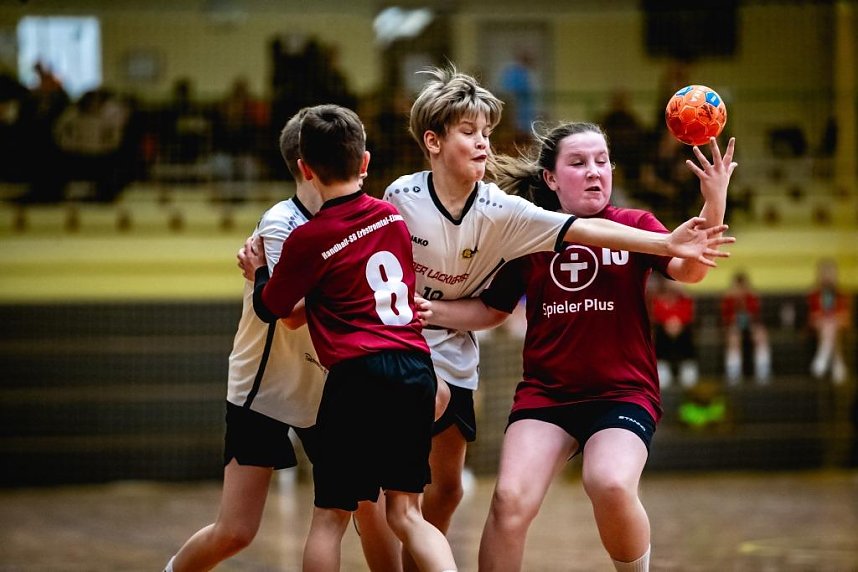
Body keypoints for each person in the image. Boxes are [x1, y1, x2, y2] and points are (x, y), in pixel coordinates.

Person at [383, 65, 734, 571]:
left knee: (608, 482)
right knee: (508, 502)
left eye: (603, 161)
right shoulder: (522, 233)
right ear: (550, 178)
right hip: (548, 394)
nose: (595, 171)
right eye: (579, 162)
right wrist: (432, 310)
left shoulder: (633, 225)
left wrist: (714, 198)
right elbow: (491, 308)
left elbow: (691, 268)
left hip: (621, 391)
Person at [164, 108, 399, 572]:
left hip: (331, 388)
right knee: (236, 531)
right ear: (305, 164)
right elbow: (292, 316)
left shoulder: (361, 218)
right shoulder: (280, 224)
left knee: (370, 511)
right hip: (265, 388)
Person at [237, 104, 458, 572]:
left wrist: (258, 271)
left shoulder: (307, 237)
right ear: (365, 163)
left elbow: (273, 308)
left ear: (305, 168)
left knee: (330, 517)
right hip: (416, 368)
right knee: (407, 514)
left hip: (357, 375)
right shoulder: (394, 219)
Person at [720, 271, 772, 385]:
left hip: (751, 327)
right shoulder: (728, 299)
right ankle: (733, 373)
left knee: (760, 334)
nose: (740, 290)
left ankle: (763, 371)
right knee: (734, 337)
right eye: (737, 286)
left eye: (742, 286)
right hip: (734, 328)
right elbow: (725, 320)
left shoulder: (752, 298)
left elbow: (757, 317)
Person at [648, 274, 699, 388]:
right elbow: (657, 315)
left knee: (687, 332)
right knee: (659, 333)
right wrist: (669, 323)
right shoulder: (658, 299)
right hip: (664, 330)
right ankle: (662, 365)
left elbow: (689, 315)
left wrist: (677, 323)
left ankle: (688, 364)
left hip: (682, 329)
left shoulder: (686, 299)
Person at [808, 258, 851, 384]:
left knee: (831, 326)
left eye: (830, 274)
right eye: (824, 274)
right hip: (819, 326)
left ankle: (823, 356)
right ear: (819, 275)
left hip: (836, 325)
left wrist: (834, 319)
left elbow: (845, 317)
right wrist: (825, 319)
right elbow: (812, 316)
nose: (827, 277)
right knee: (828, 326)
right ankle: (838, 363)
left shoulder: (841, 294)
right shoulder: (814, 294)